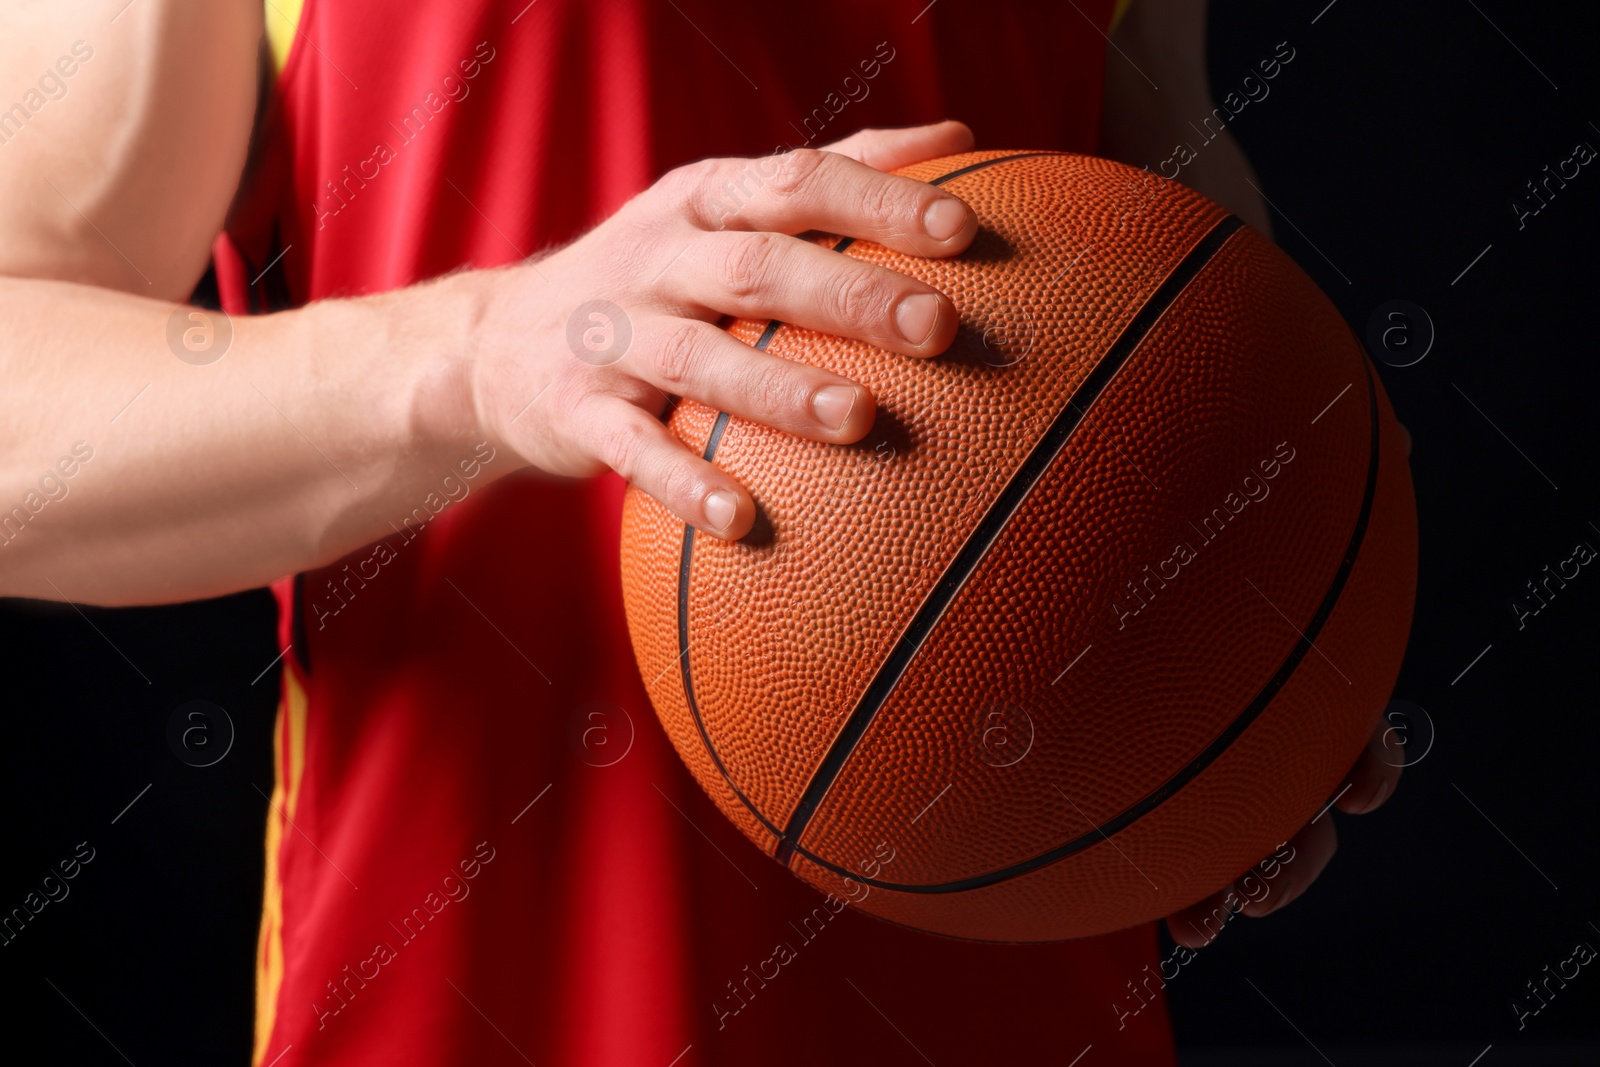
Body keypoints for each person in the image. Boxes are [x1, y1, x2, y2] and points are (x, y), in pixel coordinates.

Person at [0, 1, 1400, 1063]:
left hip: (1019, 983)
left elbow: (1171, 267)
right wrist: (484, 356)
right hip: (467, 993)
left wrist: (1262, 632)